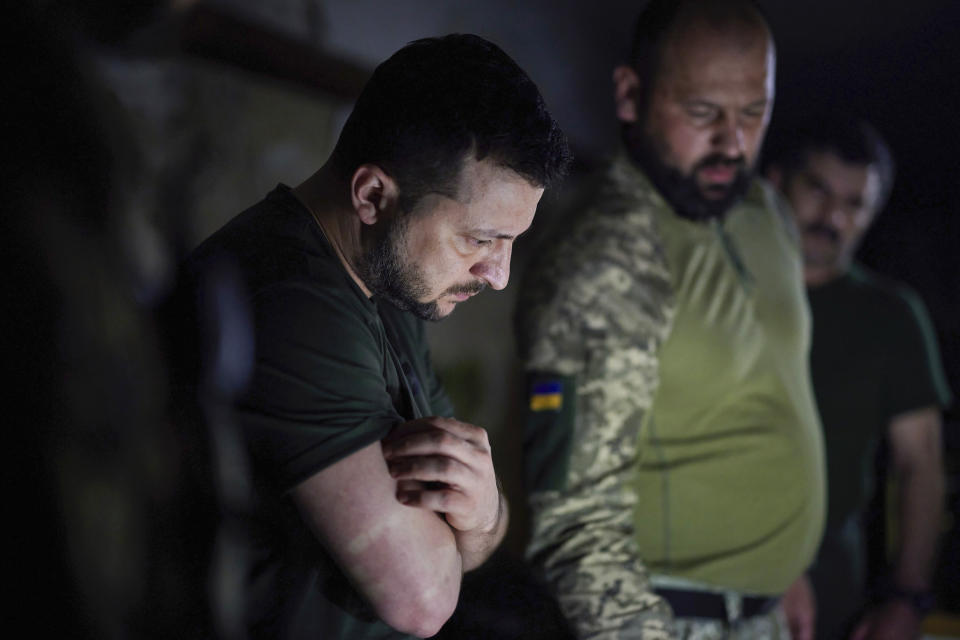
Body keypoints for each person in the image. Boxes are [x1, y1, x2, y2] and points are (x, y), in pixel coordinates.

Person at [172, 34, 571, 639]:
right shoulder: (292, 302)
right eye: (481, 239)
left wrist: (485, 513)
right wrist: (476, 523)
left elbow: (471, 513)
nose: (498, 274)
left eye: (511, 242)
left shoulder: (396, 285)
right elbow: (423, 599)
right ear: (373, 196)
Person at [515, 1, 825, 638]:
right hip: (667, 619)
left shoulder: (763, 209)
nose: (731, 145)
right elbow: (575, 524)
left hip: (763, 615)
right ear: (631, 95)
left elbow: (766, 398)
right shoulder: (605, 253)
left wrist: (781, 568)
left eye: (753, 113)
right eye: (703, 113)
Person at [765, 118, 951, 640]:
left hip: (831, 587)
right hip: (706, 565)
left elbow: (921, 461)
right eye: (818, 190)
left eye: (854, 203)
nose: (832, 216)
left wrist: (909, 596)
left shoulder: (890, 315)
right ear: (778, 182)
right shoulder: (725, 288)